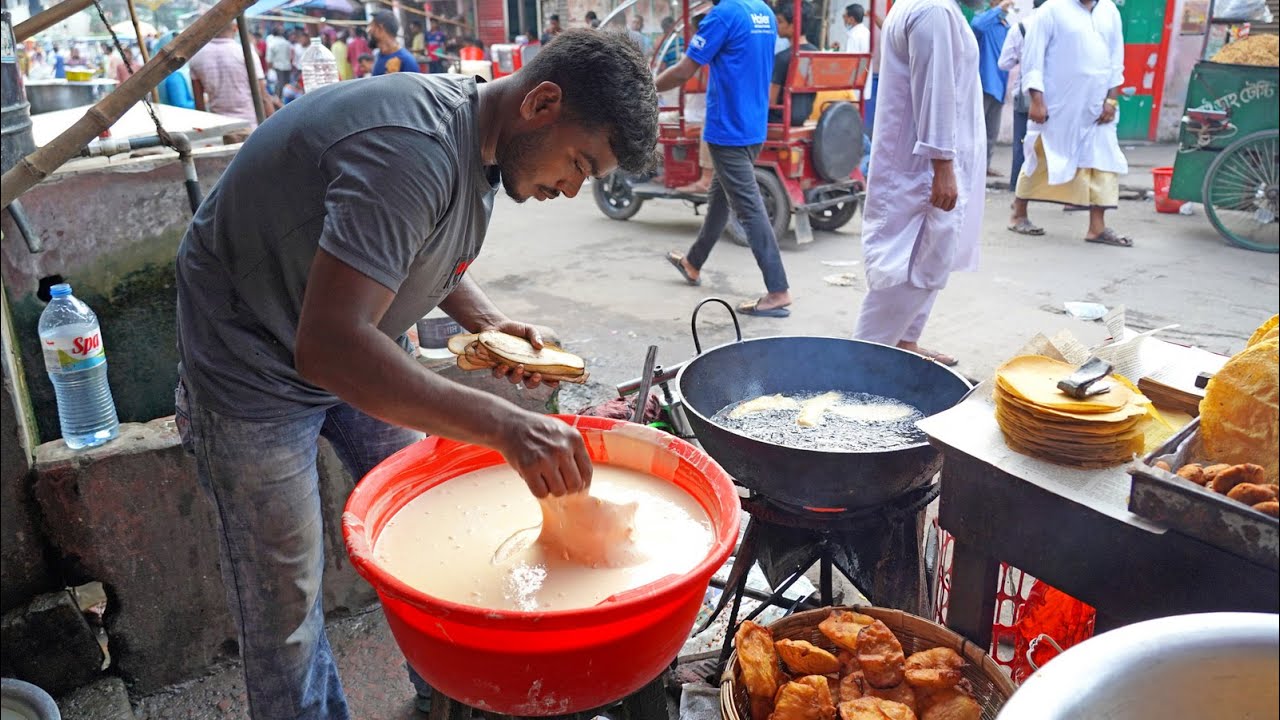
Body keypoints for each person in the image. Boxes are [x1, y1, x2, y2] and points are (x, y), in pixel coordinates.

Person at [173, 29, 657, 720]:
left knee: (418, 517)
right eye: (579, 162)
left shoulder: (483, 139)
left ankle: (448, 687)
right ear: (543, 103)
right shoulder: (413, 151)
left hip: (350, 333)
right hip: (253, 352)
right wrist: (507, 427)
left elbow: (416, 241)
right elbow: (331, 350)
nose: (574, 188)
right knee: (284, 594)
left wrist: (485, 322)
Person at [853, 0, 984, 367]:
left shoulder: (930, 8)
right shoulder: (933, 11)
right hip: (925, 166)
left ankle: (905, 341)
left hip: (925, 163)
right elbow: (936, 90)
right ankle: (861, 360)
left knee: (930, 257)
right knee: (911, 264)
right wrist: (943, 164)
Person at [657, 0, 793, 318]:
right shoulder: (763, 13)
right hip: (753, 126)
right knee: (720, 198)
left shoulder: (723, 16)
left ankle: (778, 290)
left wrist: (647, 87)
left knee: (749, 209)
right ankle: (693, 263)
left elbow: (684, 70)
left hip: (728, 129)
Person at [1014, 0, 1131, 246]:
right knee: (1041, 157)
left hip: (1098, 107)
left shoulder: (1110, 10)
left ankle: (1097, 228)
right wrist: (1036, 100)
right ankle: (1019, 214)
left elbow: (1115, 60)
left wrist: (1112, 100)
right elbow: (1032, 59)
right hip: (1059, 106)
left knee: (1103, 161)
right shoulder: (1051, 10)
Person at [999, 0, 1047, 229]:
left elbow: (1004, 62)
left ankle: (1017, 193)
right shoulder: (1056, 24)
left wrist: (1023, 57)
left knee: (1023, 146)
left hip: (1025, 95)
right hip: (1054, 95)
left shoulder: (1021, 27)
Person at [189, 23, 276, 127]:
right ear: (235, 28)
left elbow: (199, 105)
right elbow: (263, 97)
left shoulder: (197, 57)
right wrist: (276, 130)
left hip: (219, 127)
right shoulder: (246, 53)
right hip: (249, 126)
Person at [971, 0, 1012, 176]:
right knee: (975, 130)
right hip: (984, 83)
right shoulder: (984, 20)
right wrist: (998, 9)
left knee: (991, 132)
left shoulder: (1006, 26)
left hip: (999, 86)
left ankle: (985, 166)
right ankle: (972, 167)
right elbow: (977, 26)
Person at [770, 0, 817, 127]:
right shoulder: (815, 54)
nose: (776, 25)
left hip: (779, 119)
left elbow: (771, 101)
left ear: (794, 25)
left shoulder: (783, 58)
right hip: (802, 117)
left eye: (780, 21)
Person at [266, 27, 294, 97]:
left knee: (279, 86)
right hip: (287, 66)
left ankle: (278, 102)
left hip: (277, 67)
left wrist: (269, 69)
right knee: (286, 86)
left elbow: (269, 59)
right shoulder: (287, 43)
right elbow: (290, 56)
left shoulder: (272, 43)